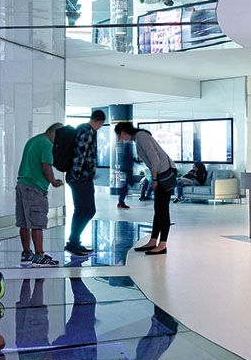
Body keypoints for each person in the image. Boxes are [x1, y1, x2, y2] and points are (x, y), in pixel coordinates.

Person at [115, 122, 175, 255]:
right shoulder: (139, 138)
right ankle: (153, 241)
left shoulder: (141, 137)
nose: (120, 138)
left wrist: (154, 179)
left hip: (164, 174)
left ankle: (162, 244)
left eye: (120, 135)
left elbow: (155, 159)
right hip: (160, 173)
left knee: (163, 210)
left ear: (125, 131)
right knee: (158, 209)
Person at [17, 122, 64, 267]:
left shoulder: (34, 140)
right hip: (35, 187)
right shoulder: (47, 145)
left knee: (24, 222)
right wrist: (54, 182)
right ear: (56, 133)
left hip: (22, 184)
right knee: (37, 223)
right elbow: (46, 167)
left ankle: (26, 253)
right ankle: (39, 255)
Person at [66, 110, 106, 256]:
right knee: (89, 210)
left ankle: (74, 242)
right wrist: (76, 175)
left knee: (81, 210)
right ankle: (73, 242)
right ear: (100, 122)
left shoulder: (83, 129)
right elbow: (80, 153)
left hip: (79, 177)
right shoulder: (87, 131)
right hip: (80, 177)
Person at [116, 136, 134, 209]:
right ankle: (121, 202)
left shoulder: (126, 148)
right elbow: (128, 159)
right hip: (126, 170)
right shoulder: (127, 148)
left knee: (124, 187)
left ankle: (121, 202)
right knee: (124, 188)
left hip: (126, 169)